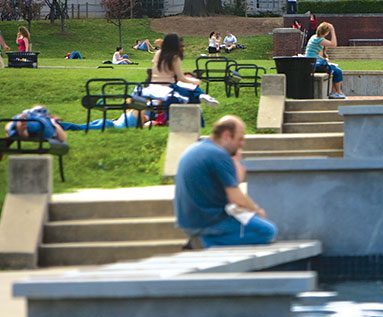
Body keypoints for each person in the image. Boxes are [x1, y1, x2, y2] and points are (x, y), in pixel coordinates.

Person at [174, 115, 276, 248]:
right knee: (267, 231)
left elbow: (225, 192)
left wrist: (235, 176)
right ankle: (206, 242)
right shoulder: (219, 155)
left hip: (188, 221)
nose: (242, 143)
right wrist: (257, 211)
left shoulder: (196, 148)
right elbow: (236, 198)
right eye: (240, 138)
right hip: (209, 222)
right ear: (227, 135)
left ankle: (204, 240)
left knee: (252, 223)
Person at [145, 33, 219, 107]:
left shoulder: (158, 54)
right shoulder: (175, 58)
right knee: (191, 90)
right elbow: (181, 78)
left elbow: (154, 62)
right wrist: (194, 81)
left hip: (153, 85)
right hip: (169, 86)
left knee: (188, 89)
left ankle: (201, 95)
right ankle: (201, 95)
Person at [305, 22, 346, 99]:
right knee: (338, 71)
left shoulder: (314, 37)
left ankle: (334, 92)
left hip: (311, 62)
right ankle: (338, 92)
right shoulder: (319, 40)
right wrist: (332, 30)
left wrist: (324, 59)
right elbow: (334, 44)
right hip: (314, 64)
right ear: (326, 32)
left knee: (333, 69)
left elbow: (317, 53)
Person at [61, 107, 152, 132]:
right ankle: (58, 125)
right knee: (79, 128)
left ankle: (58, 125)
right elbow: (141, 127)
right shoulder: (138, 113)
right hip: (109, 125)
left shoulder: (129, 111)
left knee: (81, 127)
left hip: (107, 122)